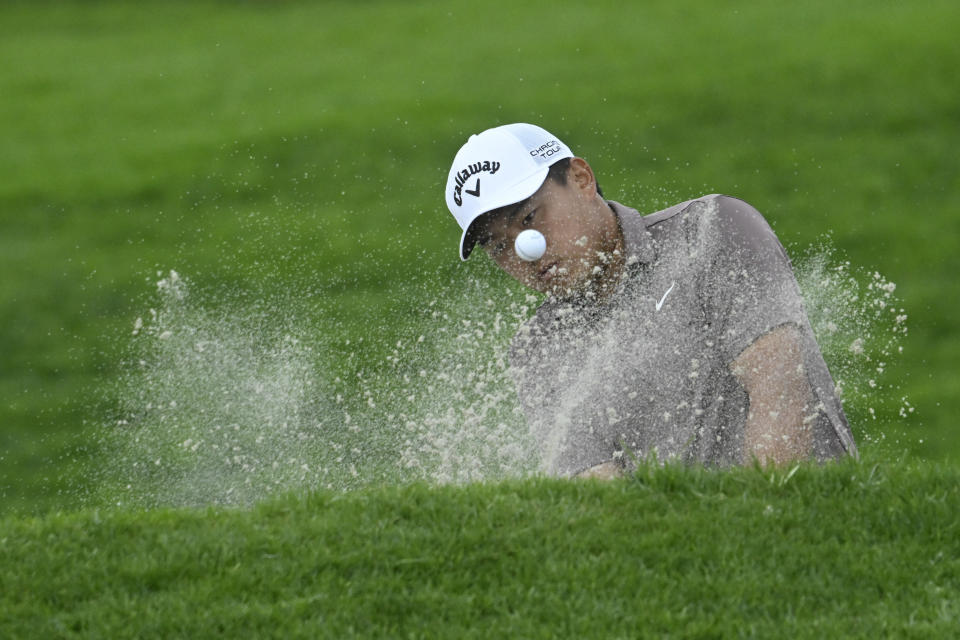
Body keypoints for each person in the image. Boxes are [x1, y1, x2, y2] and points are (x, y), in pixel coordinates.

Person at [444, 123, 857, 479]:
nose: (525, 253)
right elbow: (598, 493)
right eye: (499, 246)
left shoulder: (712, 233)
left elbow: (780, 394)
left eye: (531, 218)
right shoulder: (539, 349)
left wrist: (746, 531)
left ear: (582, 179)